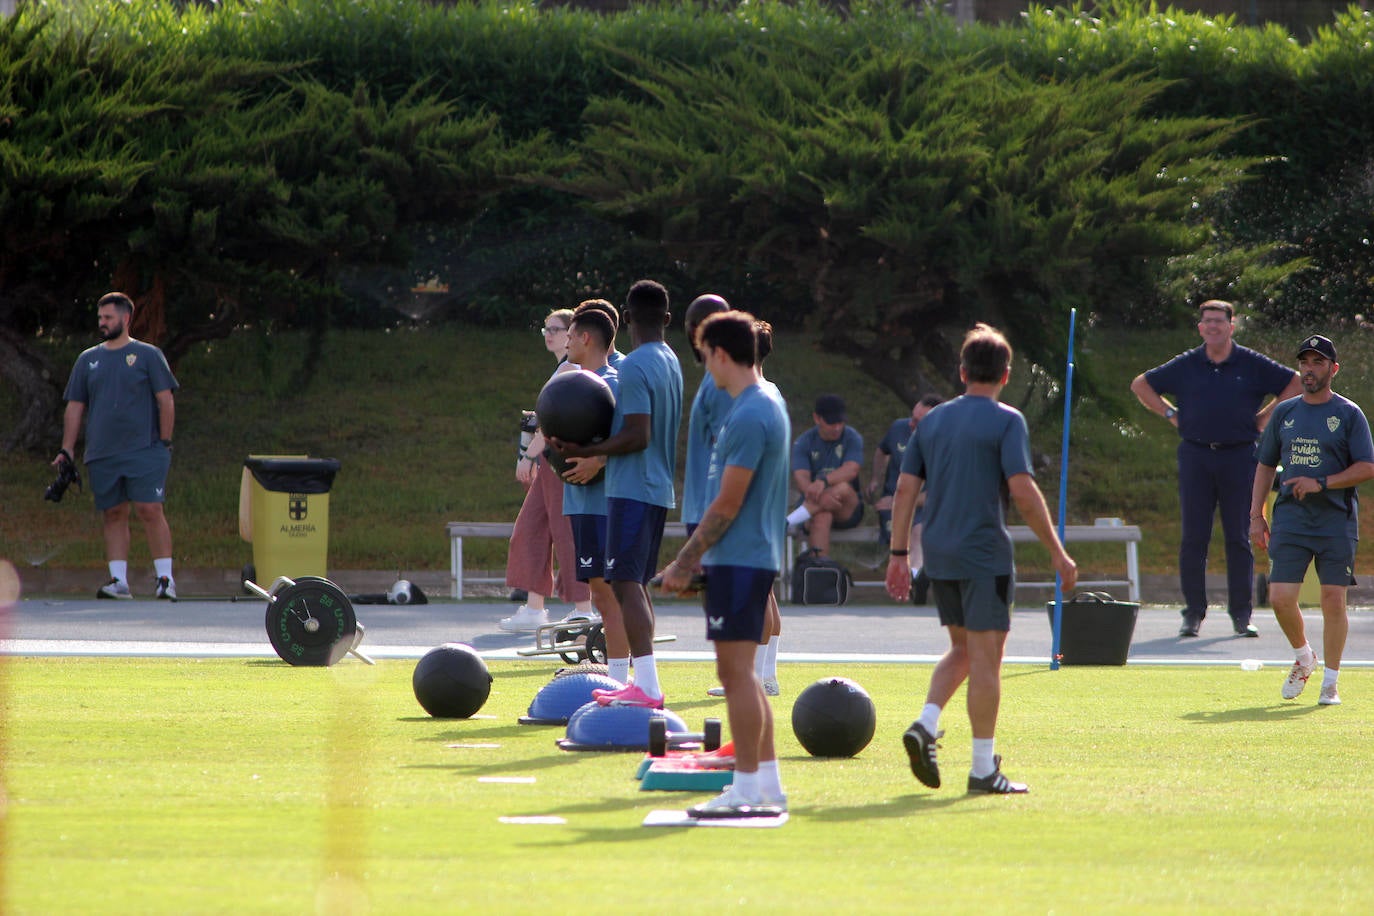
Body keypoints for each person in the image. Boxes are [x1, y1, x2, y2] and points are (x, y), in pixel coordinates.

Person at [885, 323, 1077, 795]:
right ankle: (981, 769)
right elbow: (1023, 492)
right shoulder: (1007, 420)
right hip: (984, 553)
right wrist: (1057, 552)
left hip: (941, 553)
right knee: (988, 659)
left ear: (962, 370)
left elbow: (905, 489)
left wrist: (898, 554)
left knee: (964, 650)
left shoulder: (931, 422)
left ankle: (927, 723)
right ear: (1006, 375)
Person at [658, 309, 791, 817]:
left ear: (720, 353)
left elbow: (728, 503)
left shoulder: (754, 412)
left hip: (740, 558)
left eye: (705, 353)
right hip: (742, 558)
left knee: (735, 676)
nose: (704, 365)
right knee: (743, 677)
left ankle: (747, 787)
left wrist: (684, 563)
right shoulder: (749, 407)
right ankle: (765, 785)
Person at [1130, 300, 1302, 638]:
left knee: (1240, 536)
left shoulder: (1250, 363)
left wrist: (1266, 418)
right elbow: (1141, 384)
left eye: (1219, 322)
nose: (1212, 327)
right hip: (1195, 455)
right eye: (1207, 322)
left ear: (1231, 326)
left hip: (1239, 457)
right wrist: (1171, 415)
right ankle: (1193, 614)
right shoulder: (1187, 364)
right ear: (1200, 328)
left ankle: (1241, 614)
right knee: (1194, 537)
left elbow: (1294, 383)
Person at [550, 279, 683, 708]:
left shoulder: (637, 365)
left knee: (624, 586)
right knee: (634, 586)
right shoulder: (670, 359)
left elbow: (637, 434)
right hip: (656, 487)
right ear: (666, 318)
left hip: (632, 489)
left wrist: (590, 451)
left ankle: (645, 687)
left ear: (626, 318)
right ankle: (642, 683)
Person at [1250, 335, 1374, 706]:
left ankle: (1330, 683)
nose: (1309, 368)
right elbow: (1265, 465)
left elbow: (1367, 466)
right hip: (1290, 517)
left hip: (1336, 520)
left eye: (1318, 362)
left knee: (1332, 599)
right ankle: (1304, 656)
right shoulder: (1284, 413)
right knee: (1280, 597)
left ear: (1333, 369)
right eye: (1305, 362)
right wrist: (1256, 515)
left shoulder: (1349, 414)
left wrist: (1321, 483)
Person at [54, 292, 179, 600]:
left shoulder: (148, 355)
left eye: (108, 318)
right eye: (100, 318)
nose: (102, 323)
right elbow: (75, 406)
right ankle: (118, 581)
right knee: (113, 512)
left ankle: (165, 578)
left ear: (125, 319)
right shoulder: (88, 359)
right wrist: (67, 449)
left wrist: (164, 442)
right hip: (102, 452)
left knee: (150, 509)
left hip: (145, 449)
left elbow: (166, 399)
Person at [500, 308, 594, 632]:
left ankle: (583, 607)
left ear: (571, 335)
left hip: (559, 462)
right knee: (530, 530)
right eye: (546, 329)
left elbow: (554, 419)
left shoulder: (571, 367)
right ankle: (534, 607)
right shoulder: (560, 368)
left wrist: (527, 456)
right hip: (548, 463)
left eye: (555, 329)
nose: (549, 334)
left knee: (564, 532)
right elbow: (540, 417)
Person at [556, 305, 631, 681]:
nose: (566, 342)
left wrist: (598, 462)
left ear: (586, 338)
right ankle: (615, 674)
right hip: (580, 503)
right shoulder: (571, 383)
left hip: (606, 505)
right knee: (599, 597)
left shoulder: (613, 383)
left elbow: (631, 440)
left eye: (570, 335)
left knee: (611, 596)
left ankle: (620, 678)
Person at [870, 394, 944, 603]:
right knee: (910, 527)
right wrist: (876, 478)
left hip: (926, 506)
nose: (911, 424)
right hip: (896, 505)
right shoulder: (899, 428)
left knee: (919, 529)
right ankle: (915, 577)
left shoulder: (946, 443)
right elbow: (881, 451)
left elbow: (937, 494)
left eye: (918, 421)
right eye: (912, 417)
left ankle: (914, 580)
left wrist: (895, 501)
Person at [785, 394, 863, 557]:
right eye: (831, 423)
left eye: (840, 422)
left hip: (847, 506)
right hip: (816, 504)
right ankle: (820, 572)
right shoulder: (803, 442)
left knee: (841, 487)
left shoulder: (852, 437)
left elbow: (852, 469)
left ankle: (788, 522)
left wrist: (823, 482)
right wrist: (821, 499)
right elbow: (801, 479)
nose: (836, 428)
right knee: (822, 517)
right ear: (817, 418)